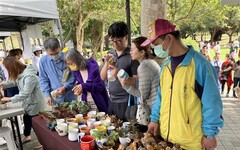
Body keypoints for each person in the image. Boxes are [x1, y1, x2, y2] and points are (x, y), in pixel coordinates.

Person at [143, 19, 223, 149]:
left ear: (169, 38)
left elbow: (212, 103)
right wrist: (154, 119)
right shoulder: (165, 66)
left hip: (191, 143)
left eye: (156, 44)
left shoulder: (200, 65)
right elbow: (160, 97)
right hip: (167, 140)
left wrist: (209, 135)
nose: (154, 49)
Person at [0, 57, 45, 149]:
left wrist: (8, 99)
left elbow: (25, 94)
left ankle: (43, 142)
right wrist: (3, 84)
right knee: (27, 119)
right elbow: (13, 82)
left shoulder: (30, 76)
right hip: (29, 104)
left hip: (36, 104)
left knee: (36, 124)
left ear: (13, 68)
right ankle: (27, 136)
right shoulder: (21, 73)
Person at [100, 21, 139, 121]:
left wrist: (119, 73)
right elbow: (103, 77)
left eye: (118, 40)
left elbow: (137, 82)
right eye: (112, 41)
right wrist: (106, 63)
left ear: (126, 37)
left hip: (127, 101)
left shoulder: (132, 56)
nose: (114, 44)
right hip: (112, 100)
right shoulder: (110, 54)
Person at [118, 36, 160, 126]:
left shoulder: (144, 66)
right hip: (158, 107)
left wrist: (125, 85)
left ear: (142, 52)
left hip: (155, 111)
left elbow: (142, 96)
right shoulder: (150, 63)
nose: (130, 52)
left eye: (132, 49)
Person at [39, 37, 76, 106]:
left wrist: (65, 87)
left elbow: (74, 75)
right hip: (55, 98)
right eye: (51, 54)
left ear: (60, 48)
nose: (54, 56)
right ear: (46, 51)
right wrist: (47, 95)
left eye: (56, 53)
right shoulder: (43, 61)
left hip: (70, 95)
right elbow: (43, 79)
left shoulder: (68, 57)